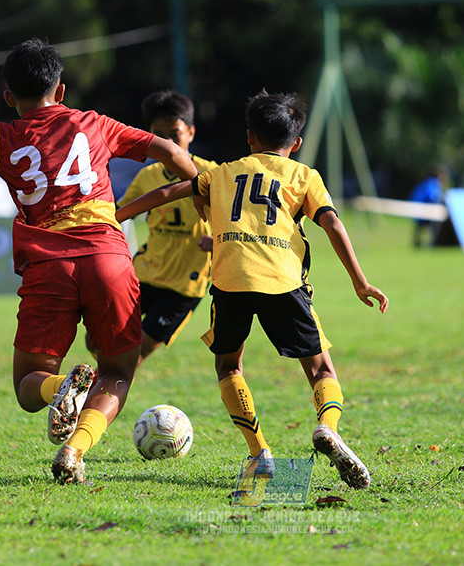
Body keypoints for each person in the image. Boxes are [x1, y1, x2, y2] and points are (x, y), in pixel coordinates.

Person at [0, 38, 197, 484]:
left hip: (49, 266)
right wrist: (199, 189)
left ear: (8, 96)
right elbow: (173, 154)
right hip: (108, 260)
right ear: (60, 91)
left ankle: (57, 387)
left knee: (29, 384)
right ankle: (75, 450)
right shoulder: (94, 123)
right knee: (117, 372)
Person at [115, 91, 388, 489]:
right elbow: (332, 223)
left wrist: (116, 215)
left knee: (229, 367)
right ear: (296, 142)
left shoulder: (223, 172)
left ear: (249, 137)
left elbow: (166, 193)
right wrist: (360, 281)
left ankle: (259, 451)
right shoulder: (304, 176)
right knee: (321, 369)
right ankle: (327, 427)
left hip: (230, 282)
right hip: (283, 281)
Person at [85, 90, 218, 369]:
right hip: (144, 274)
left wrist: (217, 240)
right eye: (160, 136)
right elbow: (116, 215)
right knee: (94, 338)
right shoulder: (147, 177)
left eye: (175, 135)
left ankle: (97, 389)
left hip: (183, 288)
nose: (168, 144)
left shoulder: (212, 175)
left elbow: (237, 220)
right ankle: (103, 379)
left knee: (133, 355)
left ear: (191, 132)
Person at [409, 166, 448, 247]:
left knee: (421, 227)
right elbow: (433, 196)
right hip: (424, 209)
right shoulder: (432, 183)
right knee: (430, 226)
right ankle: (429, 243)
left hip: (421, 208)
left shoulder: (427, 183)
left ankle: (419, 242)